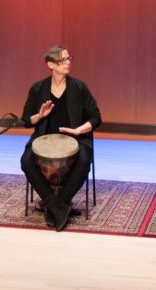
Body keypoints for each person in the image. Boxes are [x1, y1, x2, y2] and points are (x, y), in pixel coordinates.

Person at [20, 46, 102, 232]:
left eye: (68, 58)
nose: (68, 62)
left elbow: (96, 117)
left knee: (83, 158)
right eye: (62, 60)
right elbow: (25, 120)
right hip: (44, 138)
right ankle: (55, 204)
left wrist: (79, 131)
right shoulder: (38, 88)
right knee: (26, 160)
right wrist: (39, 116)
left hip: (77, 138)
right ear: (50, 64)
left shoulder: (79, 87)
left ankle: (60, 202)